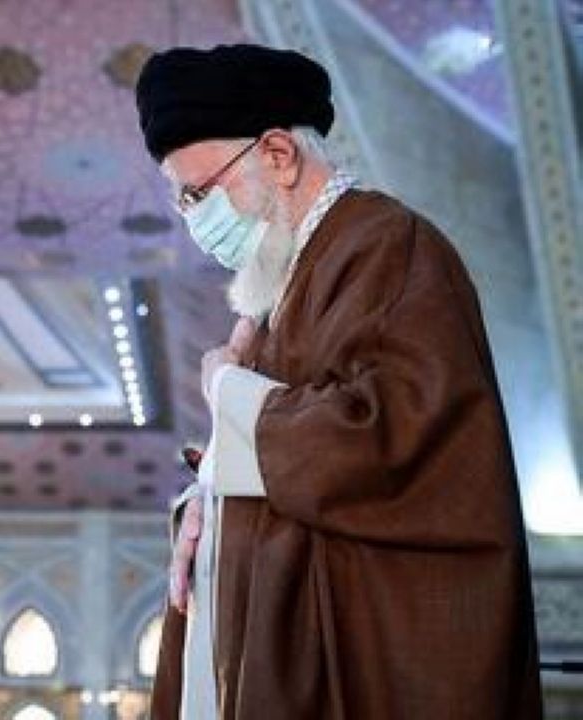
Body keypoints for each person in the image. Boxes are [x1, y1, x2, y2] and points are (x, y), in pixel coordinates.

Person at [134, 44, 543, 719]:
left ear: (277, 155)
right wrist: (208, 500)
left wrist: (226, 390)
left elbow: (389, 440)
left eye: (199, 193)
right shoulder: (285, 280)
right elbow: (283, 454)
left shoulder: (386, 246)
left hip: (368, 655)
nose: (194, 220)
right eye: (183, 202)